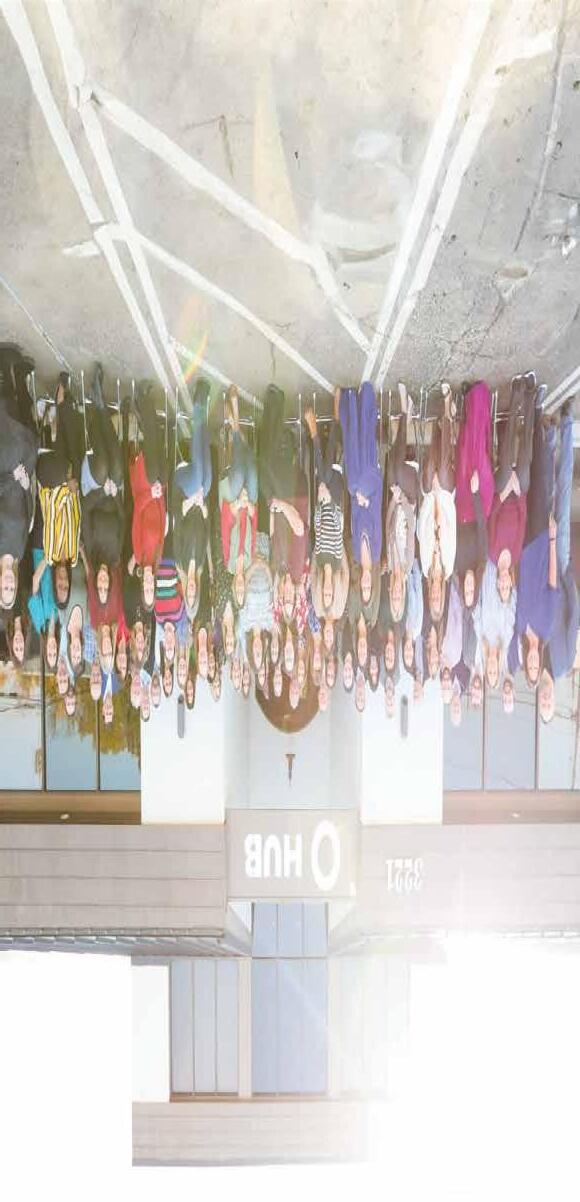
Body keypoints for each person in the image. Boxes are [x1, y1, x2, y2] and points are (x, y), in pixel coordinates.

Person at [509, 403, 563, 688]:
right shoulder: (546, 626)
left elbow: (517, 588)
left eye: (527, 666)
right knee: (542, 486)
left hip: (522, 547)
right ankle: (545, 428)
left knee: (528, 486)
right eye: (534, 666)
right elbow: (552, 582)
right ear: (539, 660)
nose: (530, 662)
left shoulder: (520, 628)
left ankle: (534, 427)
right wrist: (552, 540)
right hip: (541, 545)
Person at [258, 384, 309, 616]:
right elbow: (298, 526)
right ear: (294, 594)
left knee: (262, 468)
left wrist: (272, 509)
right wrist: (281, 505)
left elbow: (272, 535)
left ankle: (272, 407)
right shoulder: (296, 570)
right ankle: (276, 401)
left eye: (284, 598)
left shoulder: (278, 569)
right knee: (268, 463)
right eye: (291, 598)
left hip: (279, 503)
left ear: (280, 595)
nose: (287, 593)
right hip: (294, 497)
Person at [34, 373, 83, 608]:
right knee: (74, 461)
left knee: (66, 464)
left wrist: (65, 487)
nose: (63, 582)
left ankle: (62, 404)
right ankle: (62, 404)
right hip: (65, 486)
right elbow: (76, 516)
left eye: (59, 586)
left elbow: (52, 510)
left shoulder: (50, 553)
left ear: (54, 583)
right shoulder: (73, 556)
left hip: (49, 485)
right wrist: (73, 490)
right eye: (66, 586)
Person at [81, 363, 124, 617]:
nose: (103, 583)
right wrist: (115, 494)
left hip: (93, 489)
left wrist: (102, 492)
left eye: (100, 587)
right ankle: (98, 404)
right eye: (107, 587)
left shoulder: (91, 550)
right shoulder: (116, 555)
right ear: (111, 585)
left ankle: (97, 406)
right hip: (112, 492)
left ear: (96, 583)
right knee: (116, 466)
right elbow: (123, 517)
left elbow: (85, 507)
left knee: (104, 466)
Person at [488, 374, 535, 602]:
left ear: (498, 583)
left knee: (506, 466)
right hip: (517, 495)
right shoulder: (515, 554)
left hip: (501, 494)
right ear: (511, 582)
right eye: (509, 587)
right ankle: (529, 397)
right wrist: (518, 494)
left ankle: (516, 393)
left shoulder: (492, 554)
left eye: (502, 587)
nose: (505, 583)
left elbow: (492, 517)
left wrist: (505, 493)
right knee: (525, 465)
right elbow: (523, 518)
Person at [305, 395, 349, 623]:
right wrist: (329, 499)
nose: (328, 591)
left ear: (321, 589)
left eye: (324, 594)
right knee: (326, 475)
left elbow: (318, 525)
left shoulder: (321, 560)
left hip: (323, 499)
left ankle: (333, 420)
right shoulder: (337, 559)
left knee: (324, 476)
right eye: (331, 594)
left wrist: (321, 501)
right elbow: (339, 524)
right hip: (336, 497)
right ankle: (316, 430)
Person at [339, 382, 382, 617]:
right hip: (373, 491)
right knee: (356, 480)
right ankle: (355, 400)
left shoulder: (356, 553)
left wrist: (358, 500)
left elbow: (354, 518)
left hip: (359, 493)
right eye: (369, 588)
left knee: (353, 482)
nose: (365, 584)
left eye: (362, 589)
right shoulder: (376, 552)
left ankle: (353, 401)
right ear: (372, 584)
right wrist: (365, 499)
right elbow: (376, 515)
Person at [0, 348, 38, 609]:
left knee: (15, 445)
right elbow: (28, 512)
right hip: (19, 480)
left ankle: (5, 369)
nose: (9, 584)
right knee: (33, 444)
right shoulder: (20, 552)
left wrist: (13, 478)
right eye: (12, 589)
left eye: (5, 588)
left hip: (3, 473)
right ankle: (21, 378)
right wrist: (25, 485)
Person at [172, 377, 211, 618]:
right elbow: (206, 523)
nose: (193, 590)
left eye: (189, 593)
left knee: (198, 479)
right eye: (195, 594)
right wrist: (202, 506)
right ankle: (202, 414)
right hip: (198, 497)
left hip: (181, 491)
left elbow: (177, 519)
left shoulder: (180, 561)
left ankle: (198, 404)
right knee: (207, 480)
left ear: (186, 589)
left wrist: (190, 501)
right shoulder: (202, 563)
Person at [418, 382, 456, 622]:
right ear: (442, 595)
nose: (434, 595)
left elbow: (422, 528)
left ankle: (440, 428)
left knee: (431, 468)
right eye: (438, 598)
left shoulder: (425, 567)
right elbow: (450, 528)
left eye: (431, 599)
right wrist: (439, 496)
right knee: (441, 469)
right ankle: (446, 407)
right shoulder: (448, 566)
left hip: (431, 501)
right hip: (446, 502)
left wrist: (431, 496)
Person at [128, 381, 167, 608]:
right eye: (152, 589)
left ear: (142, 583)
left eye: (146, 589)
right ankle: (143, 411)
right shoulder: (158, 556)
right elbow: (162, 518)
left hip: (143, 488)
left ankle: (143, 398)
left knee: (153, 470)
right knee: (162, 470)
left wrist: (151, 493)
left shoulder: (139, 553)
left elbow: (137, 511)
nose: (149, 585)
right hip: (156, 492)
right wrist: (160, 493)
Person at [219, 385, 258, 607]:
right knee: (251, 467)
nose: (241, 588)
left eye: (238, 592)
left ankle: (235, 414)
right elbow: (254, 523)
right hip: (248, 502)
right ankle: (236, 427)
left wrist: (237, 504)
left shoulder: (229, 563)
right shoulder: (250, 559)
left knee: (241, 472)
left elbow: (225, 524)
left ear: (234, 587)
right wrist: (249, 506)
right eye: (244, 592)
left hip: (232, 502)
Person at [385, 383, 419, 622]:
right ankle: (406, 411)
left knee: (391, 468)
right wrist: (403, 500)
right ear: (403, 594)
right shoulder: (406, 565)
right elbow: (411, 525)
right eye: (400, 597)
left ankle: (407, 413)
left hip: (397, 500)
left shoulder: (389, 564)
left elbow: (388, 524)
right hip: (410, 501)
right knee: (396, 469)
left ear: (391, 594)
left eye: (393, 597)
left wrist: (392, 500)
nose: (396, 593)